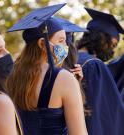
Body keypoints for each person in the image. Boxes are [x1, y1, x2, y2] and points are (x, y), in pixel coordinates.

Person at [7, 4, 88, 135]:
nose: (66, 46)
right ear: (42, 44)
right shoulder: (63, 78)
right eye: (61, 41)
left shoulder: (12, 76)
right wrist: (73, 86)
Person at [77, 7, 124, 135]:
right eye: (113, 45)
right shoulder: (95, 65)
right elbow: (102, 115)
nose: (112, 51)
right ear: (102, 38)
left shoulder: (66, 59)